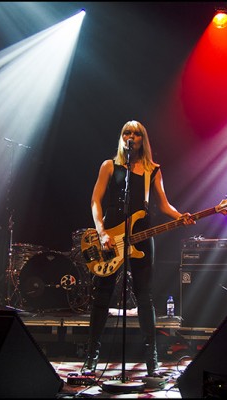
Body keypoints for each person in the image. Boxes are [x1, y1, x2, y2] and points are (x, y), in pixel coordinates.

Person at [82, 120, 195, 377]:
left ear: (143, 139)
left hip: (142, 233)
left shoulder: (152, 170)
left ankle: (151, 359)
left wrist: (180, 216)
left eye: (136, 133)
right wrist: (101, 233)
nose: (131, 136)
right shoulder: (109, 166)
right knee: (103, 294)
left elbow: (164, 204)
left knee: (145, 296)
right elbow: (95, 200)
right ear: (121, 137)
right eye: (126, 132)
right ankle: (92, 356)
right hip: (110, 233)